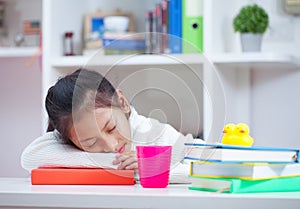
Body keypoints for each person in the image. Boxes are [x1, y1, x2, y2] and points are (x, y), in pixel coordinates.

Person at [21, 68, 204, 183]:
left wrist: (151, 167)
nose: (111, 146)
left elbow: (210, 170)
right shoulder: (69, 136)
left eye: (111, 128)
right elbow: (30, 157)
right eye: (91, 144)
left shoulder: (156, 133)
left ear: (122, 102)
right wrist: (119, 166)